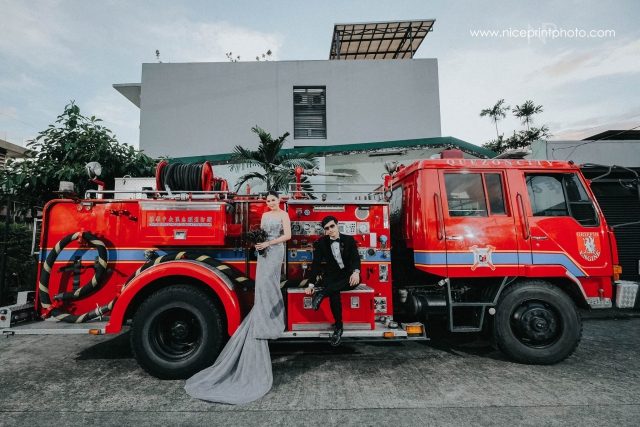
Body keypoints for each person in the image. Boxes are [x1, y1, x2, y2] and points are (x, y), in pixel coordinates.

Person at [185, 190, 291, 404]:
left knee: (270, 282)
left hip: (275, 251)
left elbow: (287, 236)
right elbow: (261, 233)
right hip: (264, 252)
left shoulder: (283, 215)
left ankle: (271, 320)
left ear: (279, 200)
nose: (270, 203)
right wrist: (259, 244)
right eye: (268, 200)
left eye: (273, 200)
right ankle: (262, 314)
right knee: (261, 284)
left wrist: (269, 244)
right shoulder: (265, 215)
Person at [304, 215, 361, 346]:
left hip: (349, 275)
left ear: (337, 224)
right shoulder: (321, 243)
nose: (330, 229)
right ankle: (338, 327)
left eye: (332, 226)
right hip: (333, 276)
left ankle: (322, 294)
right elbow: (316, 264)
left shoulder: (349, 240)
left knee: (347, 283)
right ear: (324, 230)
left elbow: (355, 258)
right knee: (334, 293)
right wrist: (311, 284)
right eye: (326, 228)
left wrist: (356, 272)